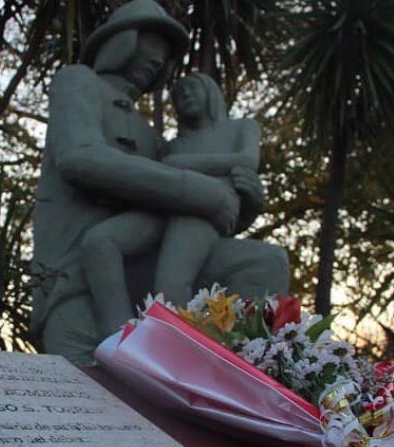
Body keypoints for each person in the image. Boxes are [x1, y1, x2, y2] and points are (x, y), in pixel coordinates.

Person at [31, 0, 288, 364]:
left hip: (146, 273)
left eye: (164, 55)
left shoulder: (151, 137)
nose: (156, 61)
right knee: (90, 399)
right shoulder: (78, 82)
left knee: (265, 263)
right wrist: (197, 190)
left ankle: (241, 381)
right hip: (79, 281)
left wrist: (242, 204)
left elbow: (183, 218)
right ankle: (131, 344)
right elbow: (80, 158)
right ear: (123, 41)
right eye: (151, 45)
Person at [80, 73, 261, 336]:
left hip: (202, 213)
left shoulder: (241, 127)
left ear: (210, 92)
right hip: (164, 207)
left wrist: (178, 164)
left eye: (192, 88)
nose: (185, 95)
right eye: (178, 94)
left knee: (170, 286)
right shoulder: (172, 145)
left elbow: (247, 160)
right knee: (98, 242)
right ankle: (118, 335)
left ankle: (175, 353)